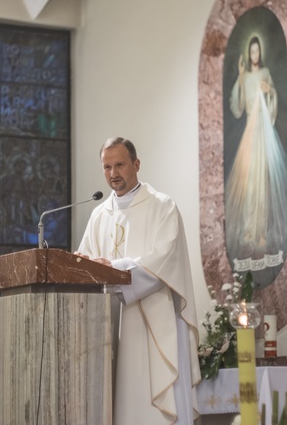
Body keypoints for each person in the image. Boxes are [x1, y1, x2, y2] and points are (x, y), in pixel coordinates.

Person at [75, 137, 201, 424]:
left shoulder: (162, 206)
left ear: (136, 164)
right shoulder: (98, 215)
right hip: (108, 325)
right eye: (107, 167)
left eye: (119, 164)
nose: (113, 173)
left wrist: (113, 269)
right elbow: (83, 266)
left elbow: (164, 260)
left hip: (152, 321)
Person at [225, 36, 287, 283]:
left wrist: (270, 91)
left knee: (262, 178)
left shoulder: (264, 71)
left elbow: (272, 99)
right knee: (249, 180)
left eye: (256, 50)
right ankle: (249, 230)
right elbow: (238, 107)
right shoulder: (246, 75)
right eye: (250, 50)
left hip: (263, 129)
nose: (253, 53)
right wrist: (241, 78)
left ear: (259, 52)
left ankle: (261, 230)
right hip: (250, 131)